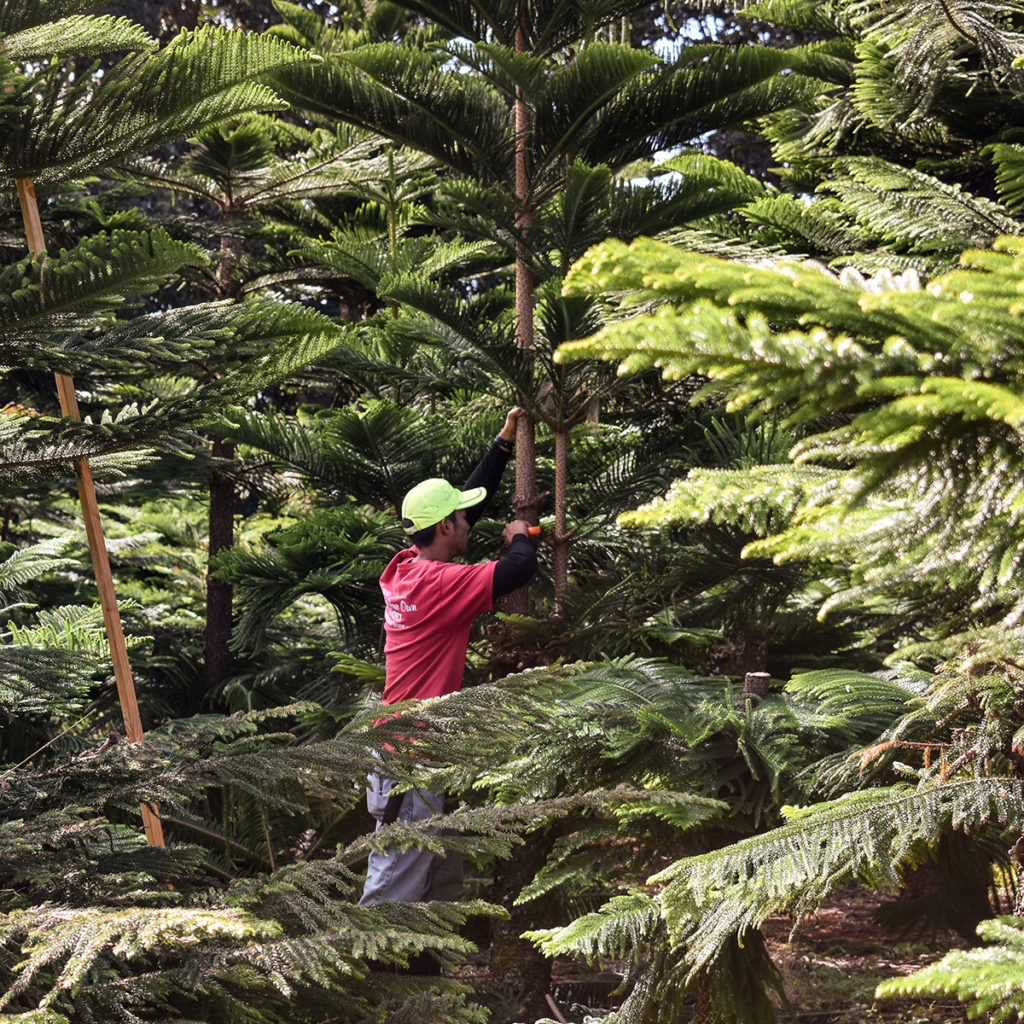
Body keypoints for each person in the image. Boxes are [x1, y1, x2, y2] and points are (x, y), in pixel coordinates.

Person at [359, 407, 538, 908]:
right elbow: (517, 571)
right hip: (412, 753)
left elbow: (463, 514)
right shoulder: (440, 583)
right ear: (443, 528)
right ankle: (358, 966)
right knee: (396, 869)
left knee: (430, 866)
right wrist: (520, 535)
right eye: (460, 519)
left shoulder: (406, 569)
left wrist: (503, 443)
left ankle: (417, 969)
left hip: (402, 742)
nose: (468, 524)